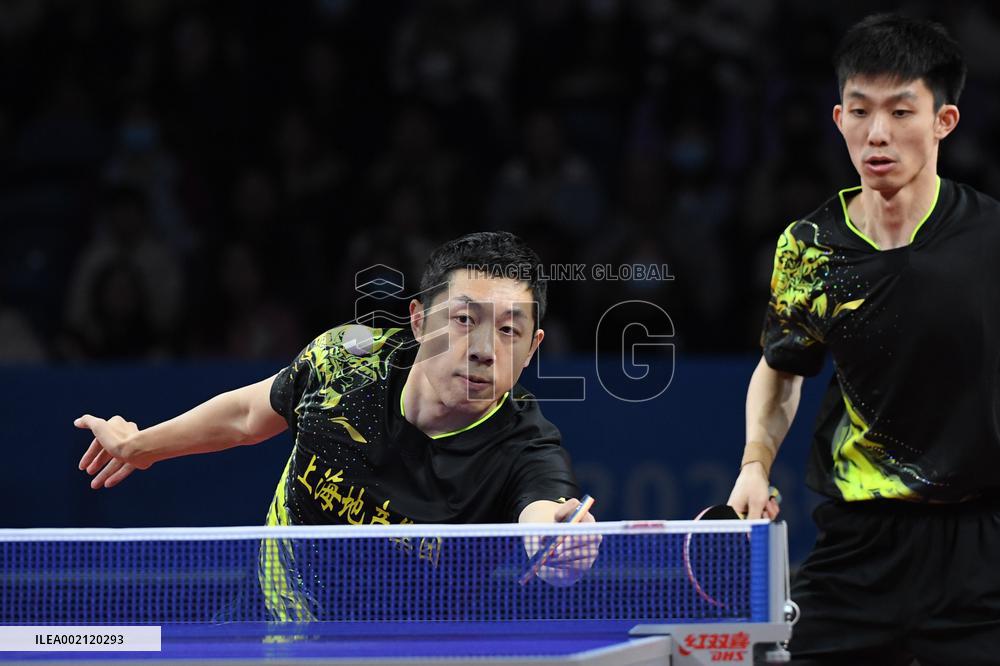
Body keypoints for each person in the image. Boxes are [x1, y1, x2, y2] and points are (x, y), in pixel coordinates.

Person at [74, 231, 597, 615]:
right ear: (418, 320)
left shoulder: (526, 447)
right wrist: (142, 447)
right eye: (464, 320)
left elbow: (545, 514)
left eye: (509, 330)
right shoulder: (347, 362)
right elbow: (247, 415)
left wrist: (558, 543)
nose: (484, 350)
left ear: (532, 349)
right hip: (263, 624)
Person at [727, 14, 1000, 665]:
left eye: (901, 111)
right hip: (859, 548)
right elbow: (783, 367)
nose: (878, 133)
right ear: (839, 118)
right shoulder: (811, 247)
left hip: (982, 547)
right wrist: (754, 465)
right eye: (860, 111)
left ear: (944, 122)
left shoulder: (993, 240)